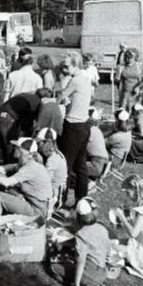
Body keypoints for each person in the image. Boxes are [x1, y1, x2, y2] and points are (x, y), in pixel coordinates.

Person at [50, 197, 110, 286]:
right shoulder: (102, 228)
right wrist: (63, 244)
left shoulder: (81, 235)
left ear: (78, 216)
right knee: (71, 256)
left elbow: (80, 263)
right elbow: (105, 248)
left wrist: (77, 285)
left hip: (91, 272)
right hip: (103, 271)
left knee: (53, 268)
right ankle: (95, 285)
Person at [0, 137, 53, 222]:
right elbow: (8, 167)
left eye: (17, 147)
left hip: (37, 211)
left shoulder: (30, 168)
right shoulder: (28, 162)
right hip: (36, 204)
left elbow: (7, 182)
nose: (15, 148)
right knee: (7, 189)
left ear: (25, 152)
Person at [57, 52, 93, 206]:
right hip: (84, 125)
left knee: (65, 165)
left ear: (75, 65)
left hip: (73, 126)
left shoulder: (75, 80)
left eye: (66, 66)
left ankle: (61, 200)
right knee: (81, 165)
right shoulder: (85, 79)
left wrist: (61, 86)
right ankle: (82, 199)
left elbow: (59, 97)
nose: (64, 69)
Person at [0, 90, 42, 163]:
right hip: (8, 118)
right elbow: (28, 122)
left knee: (6, 144)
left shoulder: (27, 95)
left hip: (0, 114)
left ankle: (7, 163)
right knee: (11, 144)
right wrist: (28, 137)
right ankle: (11, 166)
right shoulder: (36, 102)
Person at [35, 127, 67, 210]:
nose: (37, 146)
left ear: (47, 143)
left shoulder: (53, 159)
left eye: (40, 143)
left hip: (52, 197)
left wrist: (39, 163)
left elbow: (43, 181)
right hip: (53, 192)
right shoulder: (54, 154)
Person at [85, 107, 109, 182]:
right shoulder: (97, 130)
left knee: (70, 167)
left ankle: (89, 184)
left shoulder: (89, 131)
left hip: (96, 165)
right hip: (103, 164)